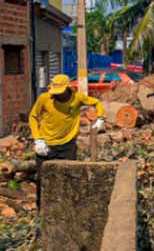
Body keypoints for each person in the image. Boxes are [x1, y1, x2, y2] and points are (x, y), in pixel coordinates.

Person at [28, 74, 105, 208]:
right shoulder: (44, 98)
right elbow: (33, 116)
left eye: (60, 92)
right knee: (43, 180)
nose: (57, 95)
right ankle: (41, 211)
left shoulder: (77, 98)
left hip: (67, 145)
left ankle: (67, 208)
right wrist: (38, 139)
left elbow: (96, 102)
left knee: (69, 178)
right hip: (46, 145)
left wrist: (100, 118)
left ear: (67, 88)